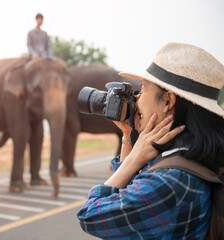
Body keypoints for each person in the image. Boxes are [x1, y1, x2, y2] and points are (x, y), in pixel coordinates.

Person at [77, 42, 224, 239]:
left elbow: (90, 216)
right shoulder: (191, 156)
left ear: (167, 102)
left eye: (144, 89)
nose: (137, 98)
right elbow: (126, 188)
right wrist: (129, 137)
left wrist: (133, 160)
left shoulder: (170, 181)